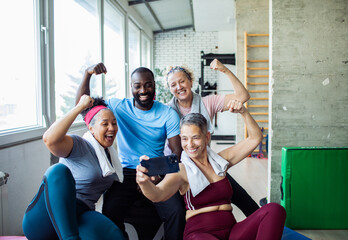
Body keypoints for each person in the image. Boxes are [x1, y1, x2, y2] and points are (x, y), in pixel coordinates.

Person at [75, 63, 185, 240]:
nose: (143, 90)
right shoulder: (118, 107)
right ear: (131, 88)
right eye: (138, 86)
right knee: (109, 211)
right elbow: (83, 107)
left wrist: (156, 173)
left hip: (155, 170)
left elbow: (177, 154)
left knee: (177, 211)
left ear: (154, 85)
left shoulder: (167, 114)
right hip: (126, 172)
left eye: (148, 84)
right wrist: (88, 74)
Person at [136, 111, 286, 240]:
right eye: (185, 138)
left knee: (274, 210)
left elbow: (255, 138)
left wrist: (243, 112)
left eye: (195, 137)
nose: (190, 144)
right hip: (200, 234)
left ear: (207, 137)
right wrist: (144, 183)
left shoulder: (220, 161)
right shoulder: (182, 170)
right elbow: (157, 195)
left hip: (231, 231)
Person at [165, 58, 260, 217]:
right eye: (173, 85)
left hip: (206, 163)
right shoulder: (166, 111)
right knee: (178, 211)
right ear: (169, 89)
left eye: (182, 81)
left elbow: (243, 96)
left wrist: (225, 70)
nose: (179, 87)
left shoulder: (207, 102)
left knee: (243, 199)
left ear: (190, 82)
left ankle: (266, 227)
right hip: (180, 168)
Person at [22, 95, 125, 240]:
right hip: (46, 218)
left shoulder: (110, 158)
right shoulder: (79, 145)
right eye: (105, 123)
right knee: (57, 171)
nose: (112, 128)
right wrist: (79, 107)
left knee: (115, 235)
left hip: (81, 214)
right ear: (91, 128)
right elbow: (49, 139)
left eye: (114, 123)